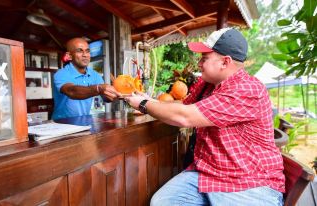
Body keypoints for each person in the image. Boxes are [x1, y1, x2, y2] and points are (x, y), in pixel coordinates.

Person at [125, 28, 285, 206]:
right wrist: (150, 100)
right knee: (161, 202)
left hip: (249, 183)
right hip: (210, 174)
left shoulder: (247, 89)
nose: (199, 64)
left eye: (205, 58)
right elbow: (184, 106)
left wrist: (143, 105)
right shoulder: (207, 84)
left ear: (225, 62)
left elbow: (185, 117)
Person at [52, 37, 121, 120]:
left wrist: (114, 92)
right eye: (79, 51)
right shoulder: (61, 73)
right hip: (61, 124)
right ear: (69, 56)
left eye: (87, 51)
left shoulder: (95, 75)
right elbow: (72, 91)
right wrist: (99, 88)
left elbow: (105, 98)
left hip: (83, 122)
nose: (85, 55)